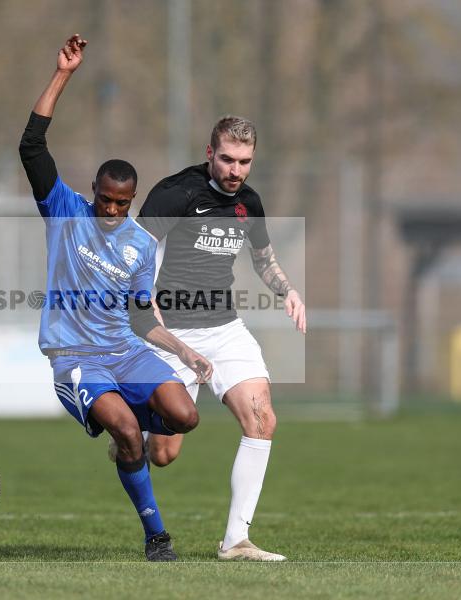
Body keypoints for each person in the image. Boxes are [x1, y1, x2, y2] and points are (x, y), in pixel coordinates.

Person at [18, 34, 212, 562]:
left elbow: (141, 317)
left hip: (125, 352)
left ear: (131, 200)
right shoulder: (65, 211)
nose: (109, 208)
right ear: (95, 189)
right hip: (75, 359)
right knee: (128, 431)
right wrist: (63, 74)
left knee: (185, 419)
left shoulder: (141, 246)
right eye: (104, 197)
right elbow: (31, 147)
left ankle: (126, 441)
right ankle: (157, 537)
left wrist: (184, 352)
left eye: (120, 202)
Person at [134, 115, 307, 561]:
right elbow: (133, 252)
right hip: (171, 334)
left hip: (226, 329)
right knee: (165, 453)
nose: (236, 171)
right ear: (210, 153)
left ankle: (236, 542)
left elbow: (264, 259)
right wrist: (144, 302)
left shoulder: (249, 202)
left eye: (245, 161)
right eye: (228, 159)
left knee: (262, 418)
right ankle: (129, 432)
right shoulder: (175, 193)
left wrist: (288, 291)